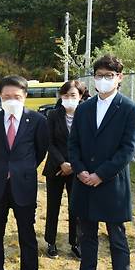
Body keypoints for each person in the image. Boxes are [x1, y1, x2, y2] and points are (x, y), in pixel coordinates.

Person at [68, 54, 135, 270]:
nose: (103, 80)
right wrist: (80, 170)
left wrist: (100, 174)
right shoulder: (84, 108)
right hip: (84, 181)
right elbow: (74, 143)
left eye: (109, 76)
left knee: (117, 237)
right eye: (99, 76)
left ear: (119, 78)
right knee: (86, 234)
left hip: (111, 183)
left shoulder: (130, 109)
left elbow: (128, 149)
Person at [0, 76, 48, 270]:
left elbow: (40, 151)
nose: (11, 100)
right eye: (7, 97)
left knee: (27, 236)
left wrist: (22, 169)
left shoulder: (38, 120)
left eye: (17, 97)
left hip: (24, 185)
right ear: (0, 97)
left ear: (25, 96)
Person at [42, 80, 86, 260]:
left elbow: (88, 144)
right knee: (53, 206)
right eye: (65, 95)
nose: (69, 99)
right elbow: (49, 142)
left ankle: (75, 243)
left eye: (73, 95)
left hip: (78, 169)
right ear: (61, 96)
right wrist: (62, 163)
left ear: (81, 96)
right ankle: (51, 242)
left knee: (76, 207)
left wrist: (73, 165)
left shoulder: (86, 115)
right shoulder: (52, 114)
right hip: (56, 168)